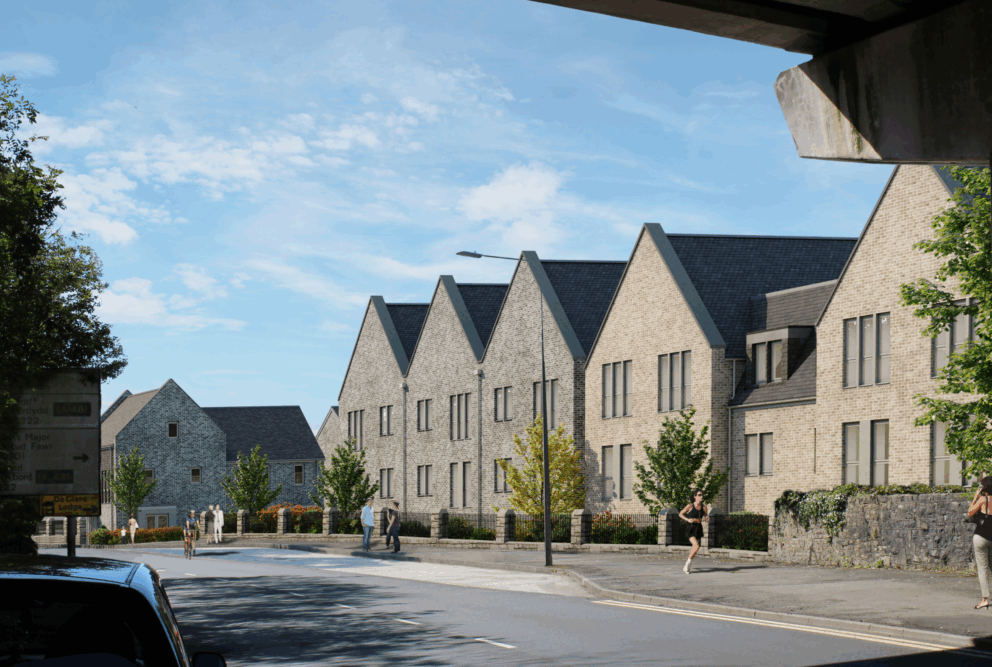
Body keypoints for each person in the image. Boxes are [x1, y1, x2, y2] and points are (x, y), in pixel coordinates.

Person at [968, 477, 992, 609]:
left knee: (983, 569)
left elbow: (970, 512)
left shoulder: (983, 499)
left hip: (981, 537)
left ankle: (984, 599)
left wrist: (976, 497)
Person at [678, 489, 708, 574]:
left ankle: (687, 565)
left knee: (695, 548)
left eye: (702, 495)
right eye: (699, 495)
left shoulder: (704, 507)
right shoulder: (690, 506)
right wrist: (687, 519)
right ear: (695, 496)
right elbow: (680, 514)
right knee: (696, 546)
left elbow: (706, 515)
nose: (701, 496)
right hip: (691, 527)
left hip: (698, 527)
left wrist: (707, 517)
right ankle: (688, 564)